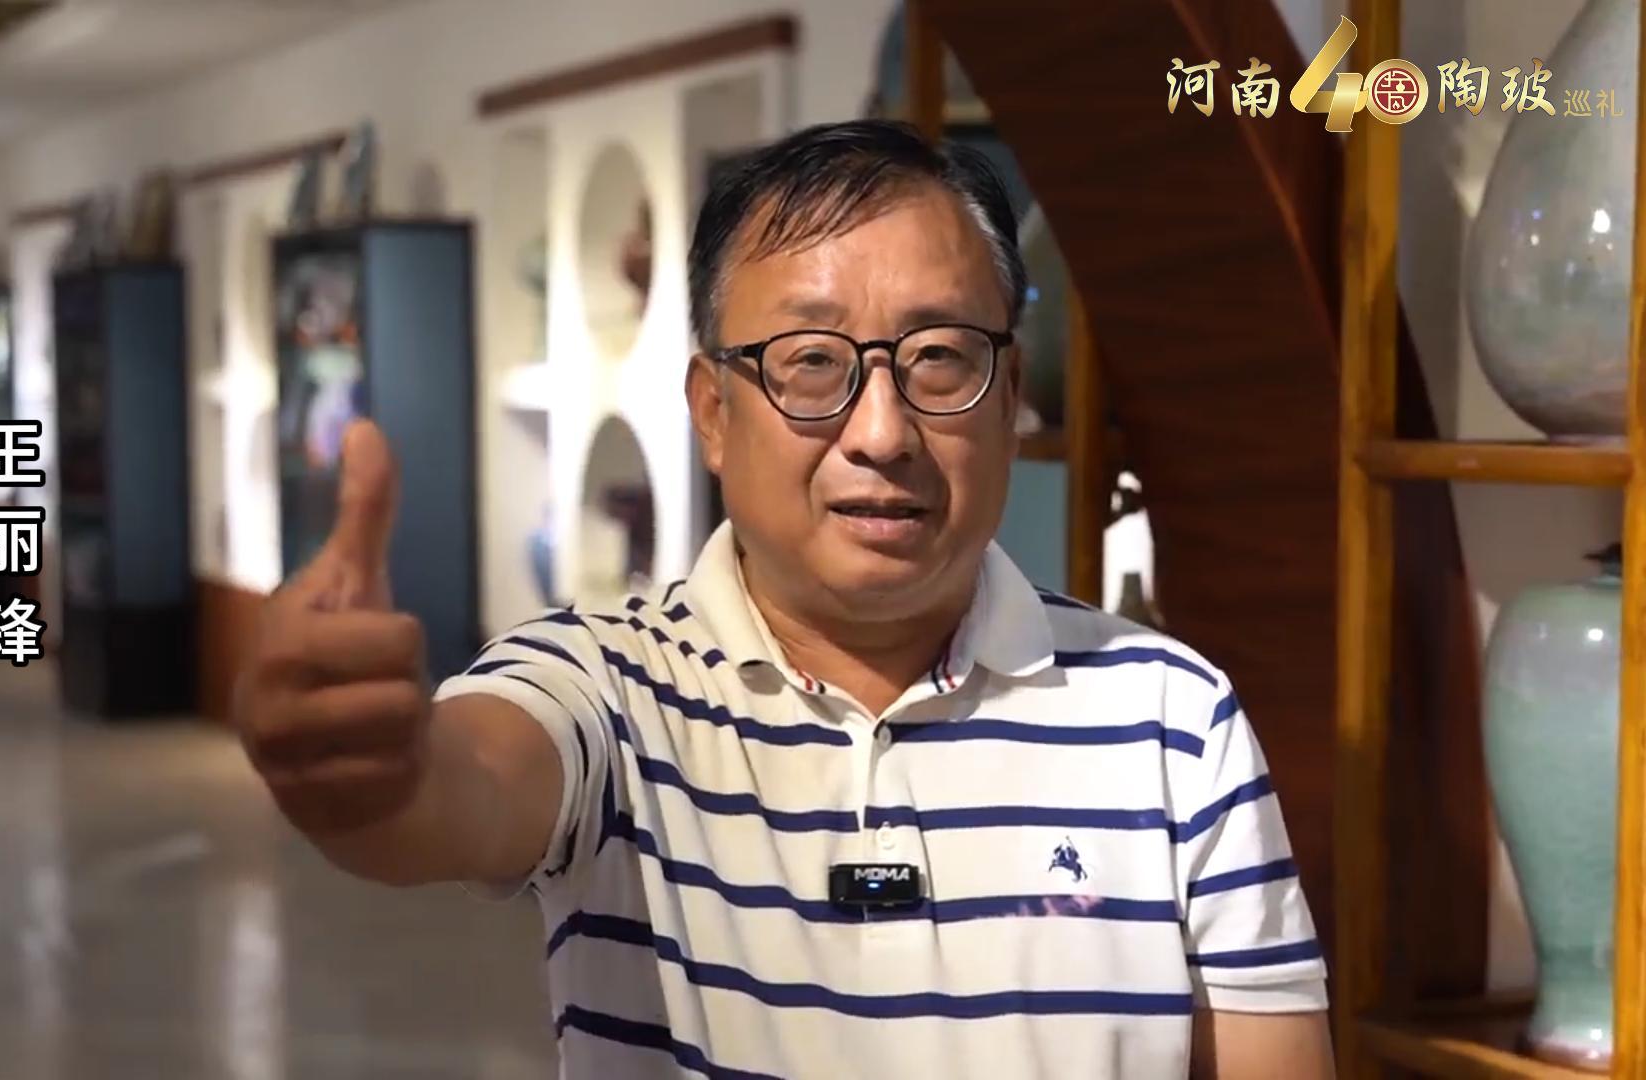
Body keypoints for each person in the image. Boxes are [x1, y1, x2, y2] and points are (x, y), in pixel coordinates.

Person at [233, 119, 1334, 1079]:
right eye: (812, 362)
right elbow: (468, 783)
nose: (882, 433)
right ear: (713, 413)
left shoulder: (1172, 720)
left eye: (941, 359)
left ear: (1008, 399)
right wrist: (371, 776)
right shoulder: (611, 687)